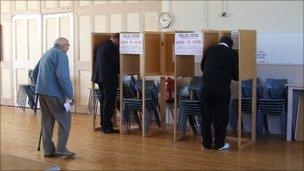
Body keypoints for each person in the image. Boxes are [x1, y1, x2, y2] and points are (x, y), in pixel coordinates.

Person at [33, 37, 76, 157]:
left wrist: (42, 85)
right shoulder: (61, 55)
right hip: (55, 94)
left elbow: (34, 73)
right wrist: (70, 95)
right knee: (65, 120)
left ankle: (48, 150)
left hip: (42, 92)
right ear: (62, 46)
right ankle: (61, 149)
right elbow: (62, 76)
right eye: (67, 45)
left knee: (47, 120)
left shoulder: (47, 53)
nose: (68, 47)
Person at [200, 36, 238, 150]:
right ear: (230, 45)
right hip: (222, 89)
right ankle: (219, 144)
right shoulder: (232, 53)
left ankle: (206, 143)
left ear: (219, 42)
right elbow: (236, 75)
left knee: (206, 115)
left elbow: (202, 67)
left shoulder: (210, 49)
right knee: (221, 116)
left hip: (206, 87)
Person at [91, 33, 120, 134]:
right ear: (117, 39)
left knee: (104, 101)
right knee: (109, 102)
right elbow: (115, 63)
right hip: (109, 79)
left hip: (99, 77)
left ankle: (103, 124)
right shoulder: (112, 47)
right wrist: (121, 70)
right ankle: (107, 127)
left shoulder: (101, 46)